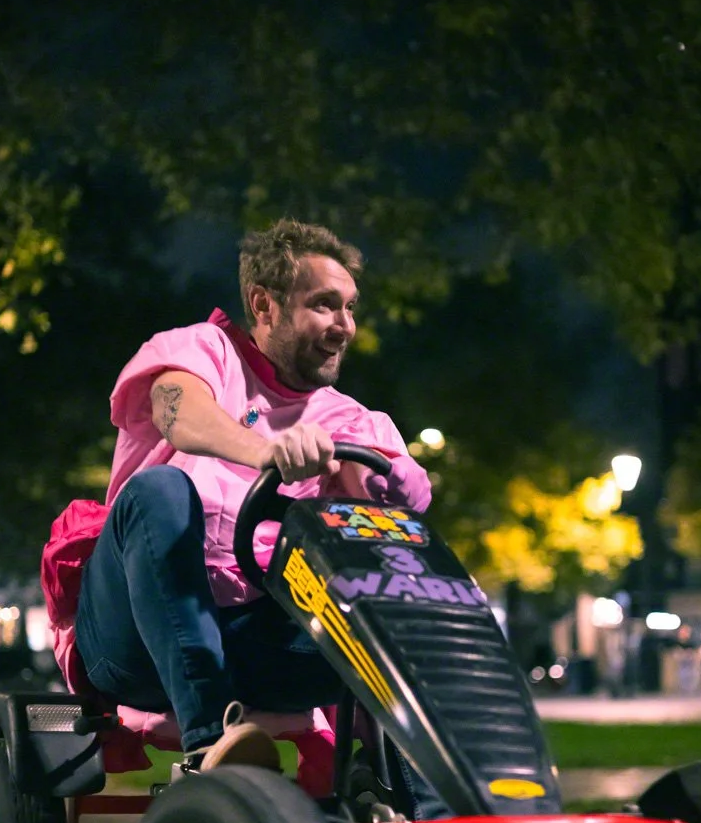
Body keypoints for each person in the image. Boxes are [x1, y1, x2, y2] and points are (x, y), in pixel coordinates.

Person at [42, 218, 431, 773]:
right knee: (158, 490)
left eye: (350, 307)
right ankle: (210, 742)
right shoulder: (203, 350)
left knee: (387, 584)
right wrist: (263, 451)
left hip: (259, 642)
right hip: (135, 641)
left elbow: (383, 497)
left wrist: (386, 483)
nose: (344, 325)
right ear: (264, 304)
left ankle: (440, 822)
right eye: (324, 304)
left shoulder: (352, 419)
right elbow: (179, 411)